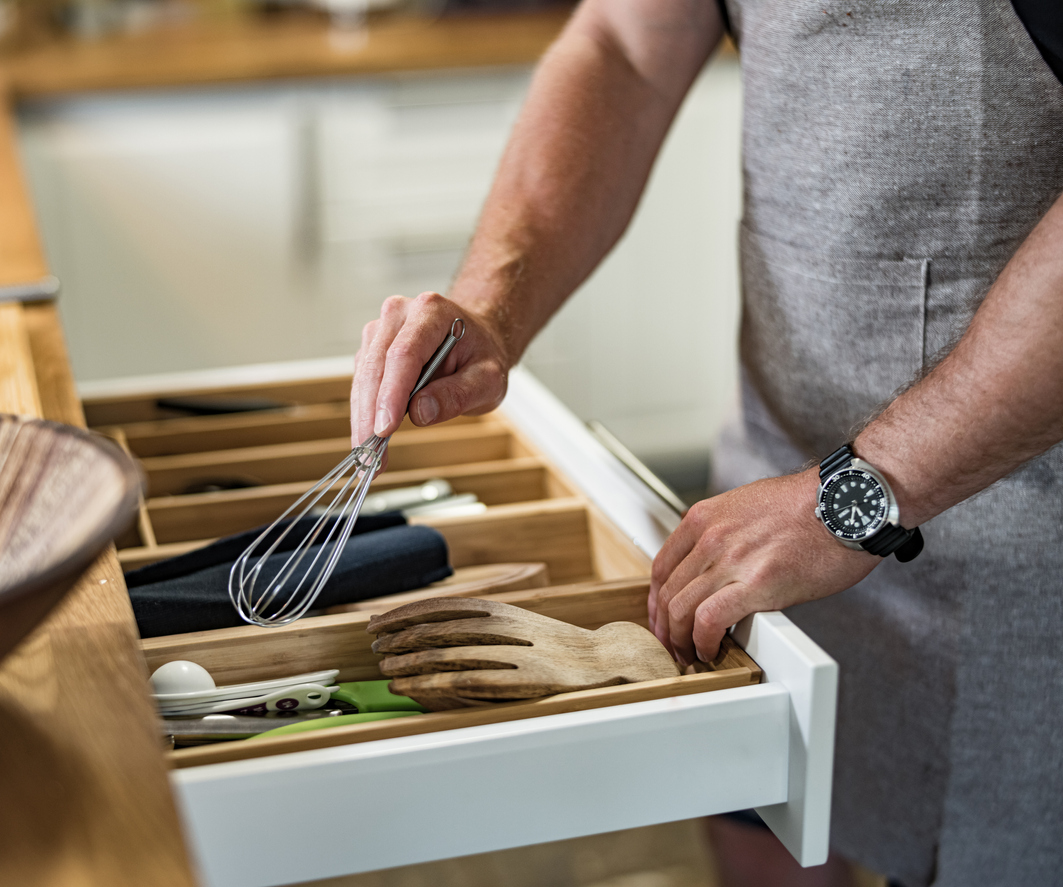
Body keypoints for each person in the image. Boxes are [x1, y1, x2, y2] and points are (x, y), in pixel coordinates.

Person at [347, 2, 1063, 885]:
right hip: (769, 495)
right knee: (757, 812)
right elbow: (624, 46)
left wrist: (863, 488)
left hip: (1020, 557)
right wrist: (493, 303)